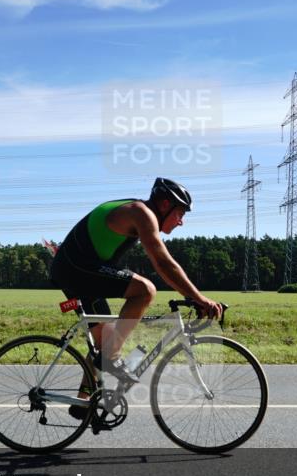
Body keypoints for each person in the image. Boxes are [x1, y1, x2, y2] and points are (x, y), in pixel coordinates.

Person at [49, 177, 223, 418]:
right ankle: (112, 358)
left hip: (78, 267)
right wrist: (198, 297)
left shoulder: (139, 211)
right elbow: (163, 262)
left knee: (104, 340)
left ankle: (82, 402)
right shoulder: (141, 213)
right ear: (164, 205)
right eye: (180, 213)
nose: (181, 221)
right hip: (76, 268)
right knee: (145, 290)